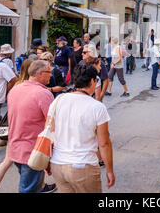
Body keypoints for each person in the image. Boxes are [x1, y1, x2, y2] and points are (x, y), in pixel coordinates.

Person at [48, 64, 115, 193]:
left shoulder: (58, 100)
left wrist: (47, 161)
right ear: (92, 81)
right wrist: (110, 170)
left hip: (58, 164)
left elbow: (49, 132)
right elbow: (104, 143)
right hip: (83, 166)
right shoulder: (97, 107)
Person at [6, 60, 57, 193]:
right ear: (40, 74)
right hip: (33, 150)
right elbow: (53, 125)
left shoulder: (15, 89)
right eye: (49, 72)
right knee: (28, 189)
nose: (51, 75)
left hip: (15, 148)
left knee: (29, 184)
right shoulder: (43, 94)